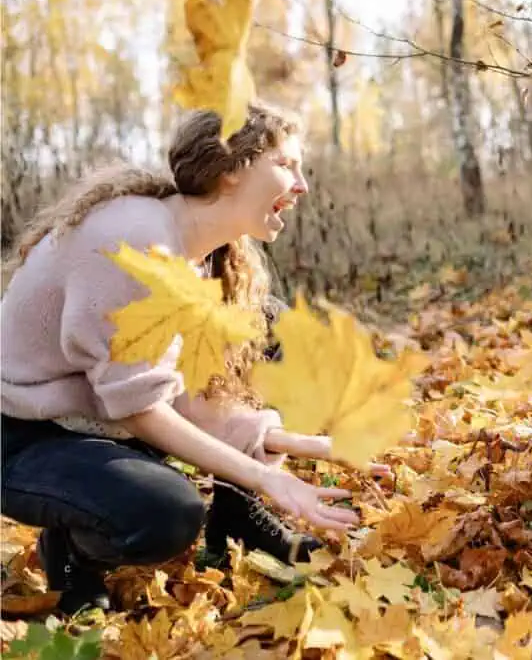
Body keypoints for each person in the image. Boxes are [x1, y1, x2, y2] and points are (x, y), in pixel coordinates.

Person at [0, 102, 373, 616]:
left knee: (278, 329)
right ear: (231, 170)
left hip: (98, 418)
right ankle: (71, 549)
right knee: (166, 513)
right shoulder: (133, 243)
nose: (302, 185)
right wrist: (266, 475)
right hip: (21, 432)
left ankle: (237, 519)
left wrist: (266, 436)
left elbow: (183, 389)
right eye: (286, 164)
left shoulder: (207, 254)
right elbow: (141, 406)